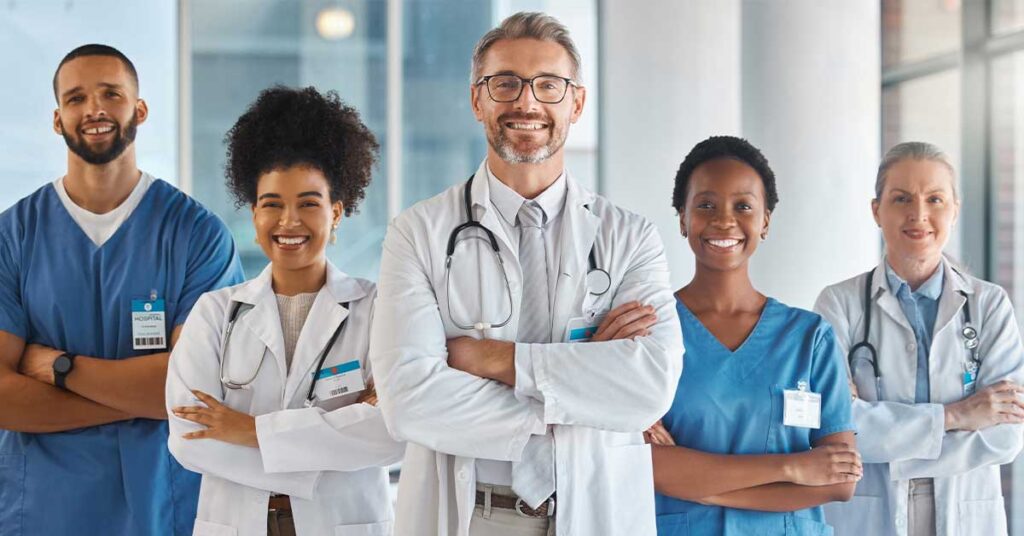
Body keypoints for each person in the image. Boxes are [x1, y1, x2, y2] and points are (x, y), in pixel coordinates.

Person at [369, 11, 683, 536]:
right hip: (472, 515)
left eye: (549, 85)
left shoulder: (630, 237)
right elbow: (408, 402)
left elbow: (649, 388)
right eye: (506, 83)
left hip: (595, 510)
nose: (527, 102)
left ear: (576, 102)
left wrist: (492, 359)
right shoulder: (417, 232)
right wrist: (579, 393)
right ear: (477, 100)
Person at [0, 44, 244, 535]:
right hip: (44, 511)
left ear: (140, 109)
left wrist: (56, 368)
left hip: (162, 505)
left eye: (111, 93)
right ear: (57, 119)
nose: (94, 109)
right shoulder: (14, 236)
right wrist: (140, 400)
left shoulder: (197, 234)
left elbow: (195, 392)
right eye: (76, 98)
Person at [166, 86, 405, 536]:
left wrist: (246, 430)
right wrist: (328, 446)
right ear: (253, 215)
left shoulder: (377, 309)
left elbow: (392, 434)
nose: (289, 221)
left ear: (336, 212)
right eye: (272, 205)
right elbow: (189, 440)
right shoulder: (215, 313)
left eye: (309, 204)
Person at [649, 136, 859, 536]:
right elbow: (649, 466)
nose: (724, 220)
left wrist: (701, 485)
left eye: (743, 206)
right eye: (705, 205)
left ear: (765, 221)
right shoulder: (654, 330)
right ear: (682, 218)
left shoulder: (809, 338)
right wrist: (793, 467)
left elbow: (840, 480)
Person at [817, 141, 1024, 536]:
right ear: (876, 210)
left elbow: (1005, 436)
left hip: (968, 515)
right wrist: (956, 416)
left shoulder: (990, 305)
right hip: (868, 517)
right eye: (901, 198)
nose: (919, 214)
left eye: (935, 199)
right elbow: (836, 426)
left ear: (955, 210)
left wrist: (888, 446)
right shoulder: (838, 305)